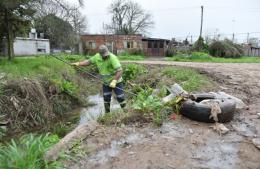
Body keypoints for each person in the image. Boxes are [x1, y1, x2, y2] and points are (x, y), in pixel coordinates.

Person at [71, 45, 126, 113]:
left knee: (120, 97)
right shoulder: (97, 57)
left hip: (117, 82)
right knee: (106, 98)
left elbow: (120, 70)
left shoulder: (112, 58)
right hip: (106, 83)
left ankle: (126, 112)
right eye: (104, 55)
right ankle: (107, 113)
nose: (106, 56)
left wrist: (114, 81)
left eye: (106, 54)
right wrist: (79, 63)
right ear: (100, 54)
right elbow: (88, 62)